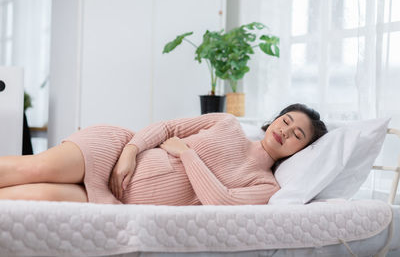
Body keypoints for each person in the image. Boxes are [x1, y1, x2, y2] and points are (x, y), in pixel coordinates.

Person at [0, 103, 327, 205]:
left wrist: (187, 154)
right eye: (286, 121)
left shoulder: (266, 186)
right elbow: (168, 127)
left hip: (121, 200)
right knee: (31, 169)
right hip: (113, 152)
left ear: (300, 149)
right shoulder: (227, 123)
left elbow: (222, 202)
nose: (285, 131)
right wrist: (130, 150)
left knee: (33, 195)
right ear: (274, 120)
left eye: (297, 134)